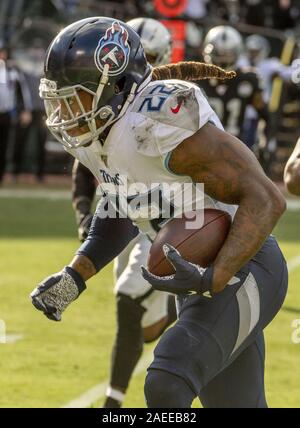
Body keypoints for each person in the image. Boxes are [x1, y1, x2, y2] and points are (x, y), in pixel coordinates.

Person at [31, 17, 287, 408]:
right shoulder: (101, 136)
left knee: (166, 382)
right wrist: (74, 277)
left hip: (243, 268)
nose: (65, 111)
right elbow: (122, 206)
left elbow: (266, 198)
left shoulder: (156, 119)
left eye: (75, 97)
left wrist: (214, 276)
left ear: (116, 87)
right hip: (194, 278)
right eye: (58, 99)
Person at [71, 17, 176, 408]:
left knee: (129, 298)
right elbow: (84, 169)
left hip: (167, 223)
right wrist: (86, 214)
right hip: (127, 217)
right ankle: (178, 304)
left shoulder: (170, 105)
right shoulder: (102, 110)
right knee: (145, 327)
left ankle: (112, 405)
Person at [199, 26, 268, 149]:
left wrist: (264, 141)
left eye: (227, 55)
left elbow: (265, 115)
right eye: (219, 54)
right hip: (203, 148)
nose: (223, 60)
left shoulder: (248, 78)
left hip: (236, 148)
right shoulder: (196, 79)